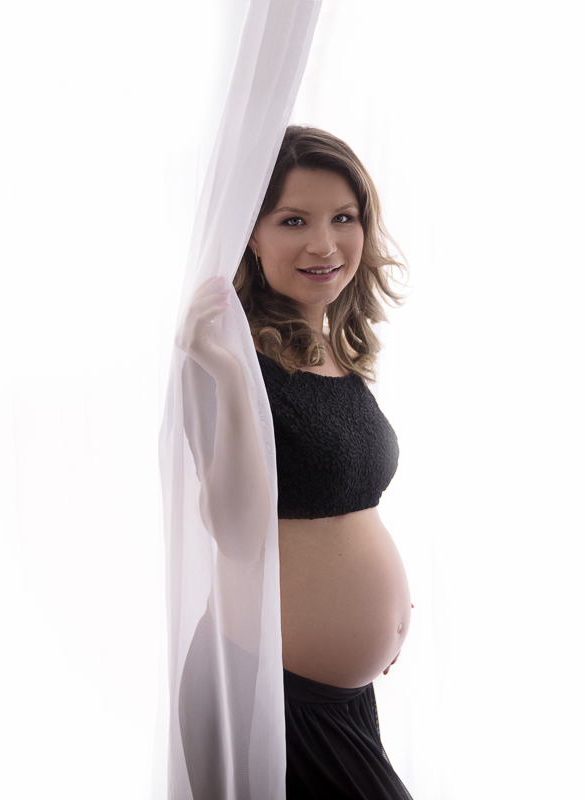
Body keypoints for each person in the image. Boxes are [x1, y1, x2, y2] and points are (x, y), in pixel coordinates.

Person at [175, 126, 414, 800]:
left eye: (343, 217)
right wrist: (229, 379)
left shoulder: (331, 347)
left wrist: (382, 614)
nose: (324, 244)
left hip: (338, 701)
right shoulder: (230, 357)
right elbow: (233, 530)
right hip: (270, 699)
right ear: (250, 233)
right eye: (293, 221)